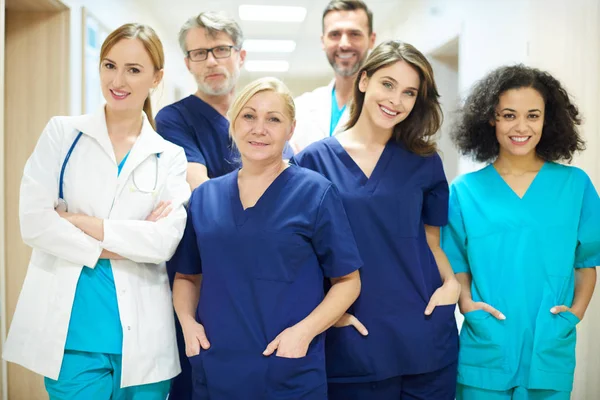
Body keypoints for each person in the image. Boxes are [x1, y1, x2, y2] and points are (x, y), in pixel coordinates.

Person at [2, 23, 190, 399]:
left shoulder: (168, 155)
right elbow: (34, 224)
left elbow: (163, 243)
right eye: (109, 65)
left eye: (134, 70)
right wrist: (129, 240)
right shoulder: (62, 134)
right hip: (73, 332)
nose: (118, 80)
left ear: (157, 78)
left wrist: (77, 222)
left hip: (145, 338)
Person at [171, 77, 363, 399]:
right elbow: (187, 277)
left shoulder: (315, 193)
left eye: (273, 119)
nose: (259, 129)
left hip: (288, 372)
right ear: (233, 123)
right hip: (216, 370)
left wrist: (303, 333)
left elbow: (348, 281)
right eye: (248, 116)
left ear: (291, 129)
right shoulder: (206, 198)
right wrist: (188, 326)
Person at [292, 40, 460, 400]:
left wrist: (451, 286)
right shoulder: (312, 162)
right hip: (354, 340)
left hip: (427, 336)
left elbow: (432, 244)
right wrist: (327, 316)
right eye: (388, 84)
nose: (396, 100)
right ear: (364, 80)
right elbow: (299, 258)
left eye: (409, 92)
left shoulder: (425, 161)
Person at [443, 65, 599, 400]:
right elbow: (456, 264)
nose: (521, 127)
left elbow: (587, 261)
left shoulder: (575, 186)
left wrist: (575, 314)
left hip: (549, 342)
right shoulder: (465, 191)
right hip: (487, 344)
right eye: (509, 115)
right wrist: (467, 303)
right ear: (491, 119)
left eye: (533, 115)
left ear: (548, 120)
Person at [156, 12, 293, 191]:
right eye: (199, 53)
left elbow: (291, 177)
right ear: (188, 63)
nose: (211, 61)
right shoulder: (174, 119)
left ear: (241, 57)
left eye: (221, 49)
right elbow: (202, 193)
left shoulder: (260, 118)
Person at [291, 0, 376, 153]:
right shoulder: (300, 108)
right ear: (323, 41)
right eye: (335, 34)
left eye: (354, 34)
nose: (344, 44)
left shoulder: (386, 108)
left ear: (371, 40)